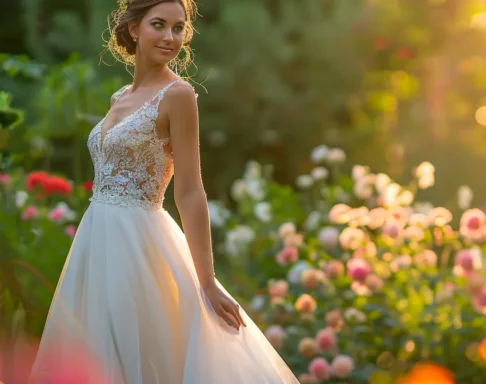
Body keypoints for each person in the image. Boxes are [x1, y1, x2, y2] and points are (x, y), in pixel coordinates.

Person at [29, 0, 299, 382]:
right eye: (160, 25)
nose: (171, 37)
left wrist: (207, 281)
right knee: (95, 355)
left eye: (178, 28)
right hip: (96, 240)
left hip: (139, 244)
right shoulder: (119, 98)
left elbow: (190, 191)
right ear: (134, 29)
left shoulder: (179, 96)